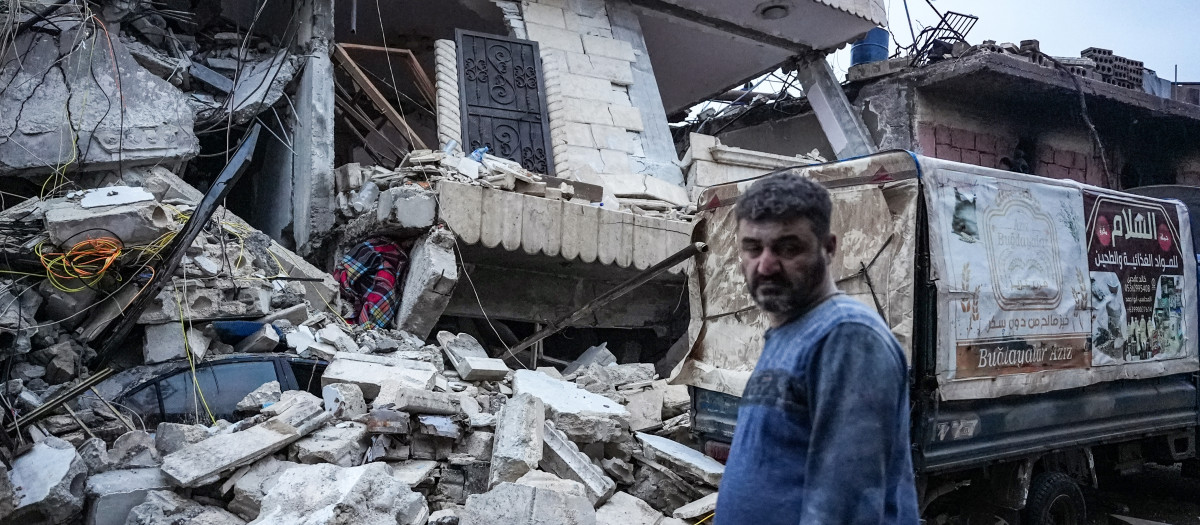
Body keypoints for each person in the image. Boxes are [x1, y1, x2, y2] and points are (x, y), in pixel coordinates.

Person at [714, 173, 919, 525]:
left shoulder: (847, 337)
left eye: (788, 248)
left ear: (829, 248)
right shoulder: (790, 332)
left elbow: (847, 506)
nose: (765, 265)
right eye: (753, 248)